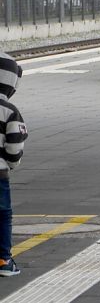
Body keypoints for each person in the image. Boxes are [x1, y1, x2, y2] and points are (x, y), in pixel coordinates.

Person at [0, 53, 26, 277]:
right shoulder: (10, 111)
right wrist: (12, 163)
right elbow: (15, 145)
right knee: (3, 214)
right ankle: (4, 260)